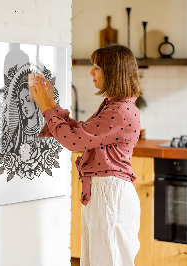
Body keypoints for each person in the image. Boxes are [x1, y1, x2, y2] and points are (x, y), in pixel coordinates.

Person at [30, 44, 142, 266]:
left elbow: (73, 141)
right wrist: (51, 104)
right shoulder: (115, 106)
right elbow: (81, 133)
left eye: (97, 67)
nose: (91, 72)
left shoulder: (119, 111)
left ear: (113, 72)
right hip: (105, 194)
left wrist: (45, 107)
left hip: (110, 196)